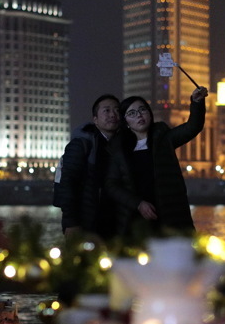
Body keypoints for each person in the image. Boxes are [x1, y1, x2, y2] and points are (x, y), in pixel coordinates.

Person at [105, 87, 208, 238]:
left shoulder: (163, 137)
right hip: (136, 217)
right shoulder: (120, 148)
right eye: (132, 113)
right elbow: (111, 185)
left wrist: (197, 102)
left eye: (143, 110)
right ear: (125, 121)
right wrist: (138, 204)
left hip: (171, 213)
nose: (139, 115)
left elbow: (192, 127)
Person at [54, 94, 121, 240]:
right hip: (86, 223)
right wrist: (71, 223)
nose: (113, 115)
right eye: (107, 110)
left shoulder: (120, 145)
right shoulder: (81, 144)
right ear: (95, 120)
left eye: (117, 110)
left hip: (113, 224)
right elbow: (68, 183)